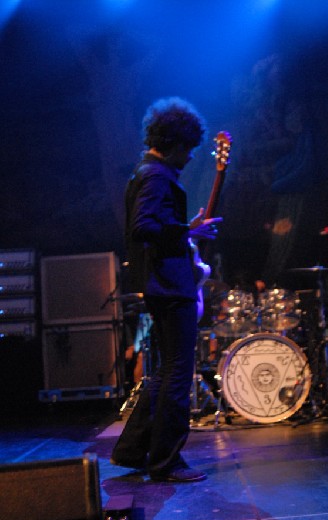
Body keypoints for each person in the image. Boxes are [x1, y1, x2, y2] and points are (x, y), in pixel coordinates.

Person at [111, 97, 222, 482]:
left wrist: (184, 231)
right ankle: (166, 462)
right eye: (187, 148)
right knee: (177, 374)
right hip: (170, 285)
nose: (190, 157)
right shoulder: (156, 175)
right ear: (173, 143)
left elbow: (150, 226)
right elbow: (142, 227)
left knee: (165, 371)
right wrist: (187, 231)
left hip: (163, 283)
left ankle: (131, 450)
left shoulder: (147, 171)